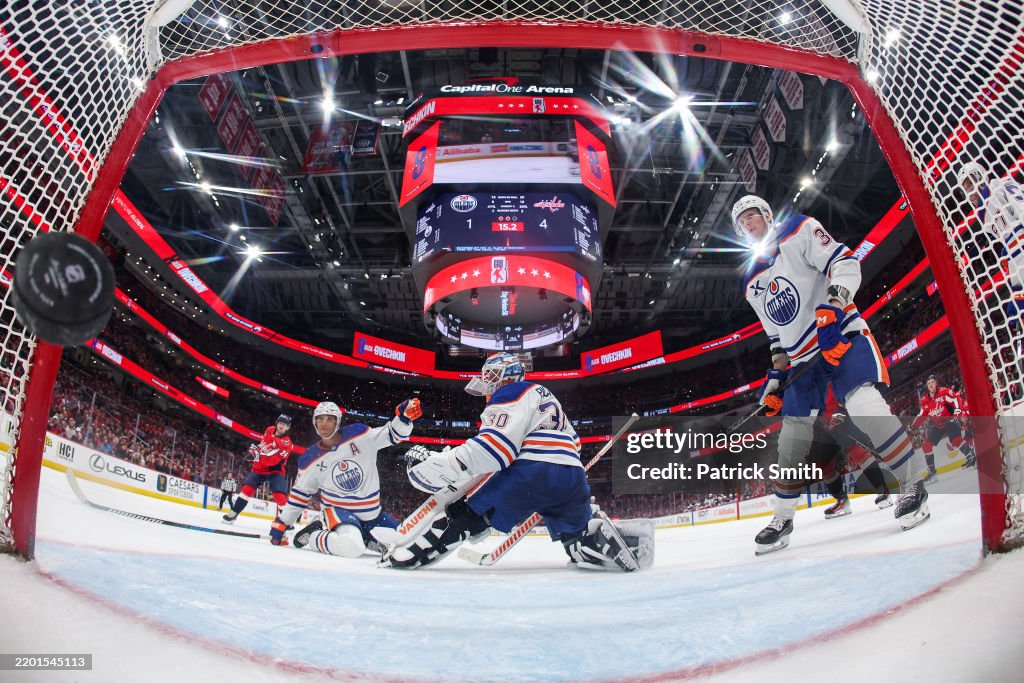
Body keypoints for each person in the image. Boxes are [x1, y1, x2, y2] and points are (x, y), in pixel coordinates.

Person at [732, 194, 930, 555]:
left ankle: (912, 483)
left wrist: (833, 309)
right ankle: (783, 518)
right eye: (740, 222)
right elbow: (775, 337)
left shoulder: (797, 229)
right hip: (801, 361)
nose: (747, 223)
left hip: (838, 334)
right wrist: (775, 378)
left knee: (864, 404)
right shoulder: (751, 280)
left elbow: (845, 262)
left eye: (750, 215)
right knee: (791, 438)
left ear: (766, 213)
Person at [386, 352, 652, 571]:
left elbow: (495, 449)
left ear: (506, 375)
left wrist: (443, 465)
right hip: (573, 478)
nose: (487, 385)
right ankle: (612, 540)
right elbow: (576, 445)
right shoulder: (547, 397)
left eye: (490, 376)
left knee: (465, 514)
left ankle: (409, 554)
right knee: (576, 540)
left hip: (531, 474)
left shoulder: (510, 393)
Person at [268, 399, 422, 556]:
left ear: (338, 421)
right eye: (320, 419)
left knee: (407, 545)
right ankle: (316, 535)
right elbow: (300, 495)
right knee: (351, 546)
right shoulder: (309, 458)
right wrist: (282, 523)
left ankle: (363, 536)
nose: (324, 423)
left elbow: (391, 434)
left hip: (372, 515)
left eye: (329, 419)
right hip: (338, 512)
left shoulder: (359, 434)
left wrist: (403, 418)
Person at [222, 414, 293, 523]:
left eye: (285, 424)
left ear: (288, 428)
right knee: (246, 489)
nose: (282, 425)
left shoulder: (287, 444)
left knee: (279, 495)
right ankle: (234, 513)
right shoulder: (269, 429)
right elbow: (263, 445)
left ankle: (287, 522)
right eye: (281, 423)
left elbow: (273, 460)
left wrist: (256, 456)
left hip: (276, 470)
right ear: (277, 423)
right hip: (260, 468)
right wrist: (255, 453)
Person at [911, 375, 976, 473]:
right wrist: (913, 426)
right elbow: (922, 415)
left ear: (936, 383)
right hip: (938, 425)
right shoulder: (925, 400)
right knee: (926, 446)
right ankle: (932, 472)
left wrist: (957, 413)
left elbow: (956, 399)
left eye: (932, 382)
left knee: (956, 440)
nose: (931, 384)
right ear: (927, 386)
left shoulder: (944, 391)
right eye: (928, 383)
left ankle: (971, 456)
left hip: (950, 420)